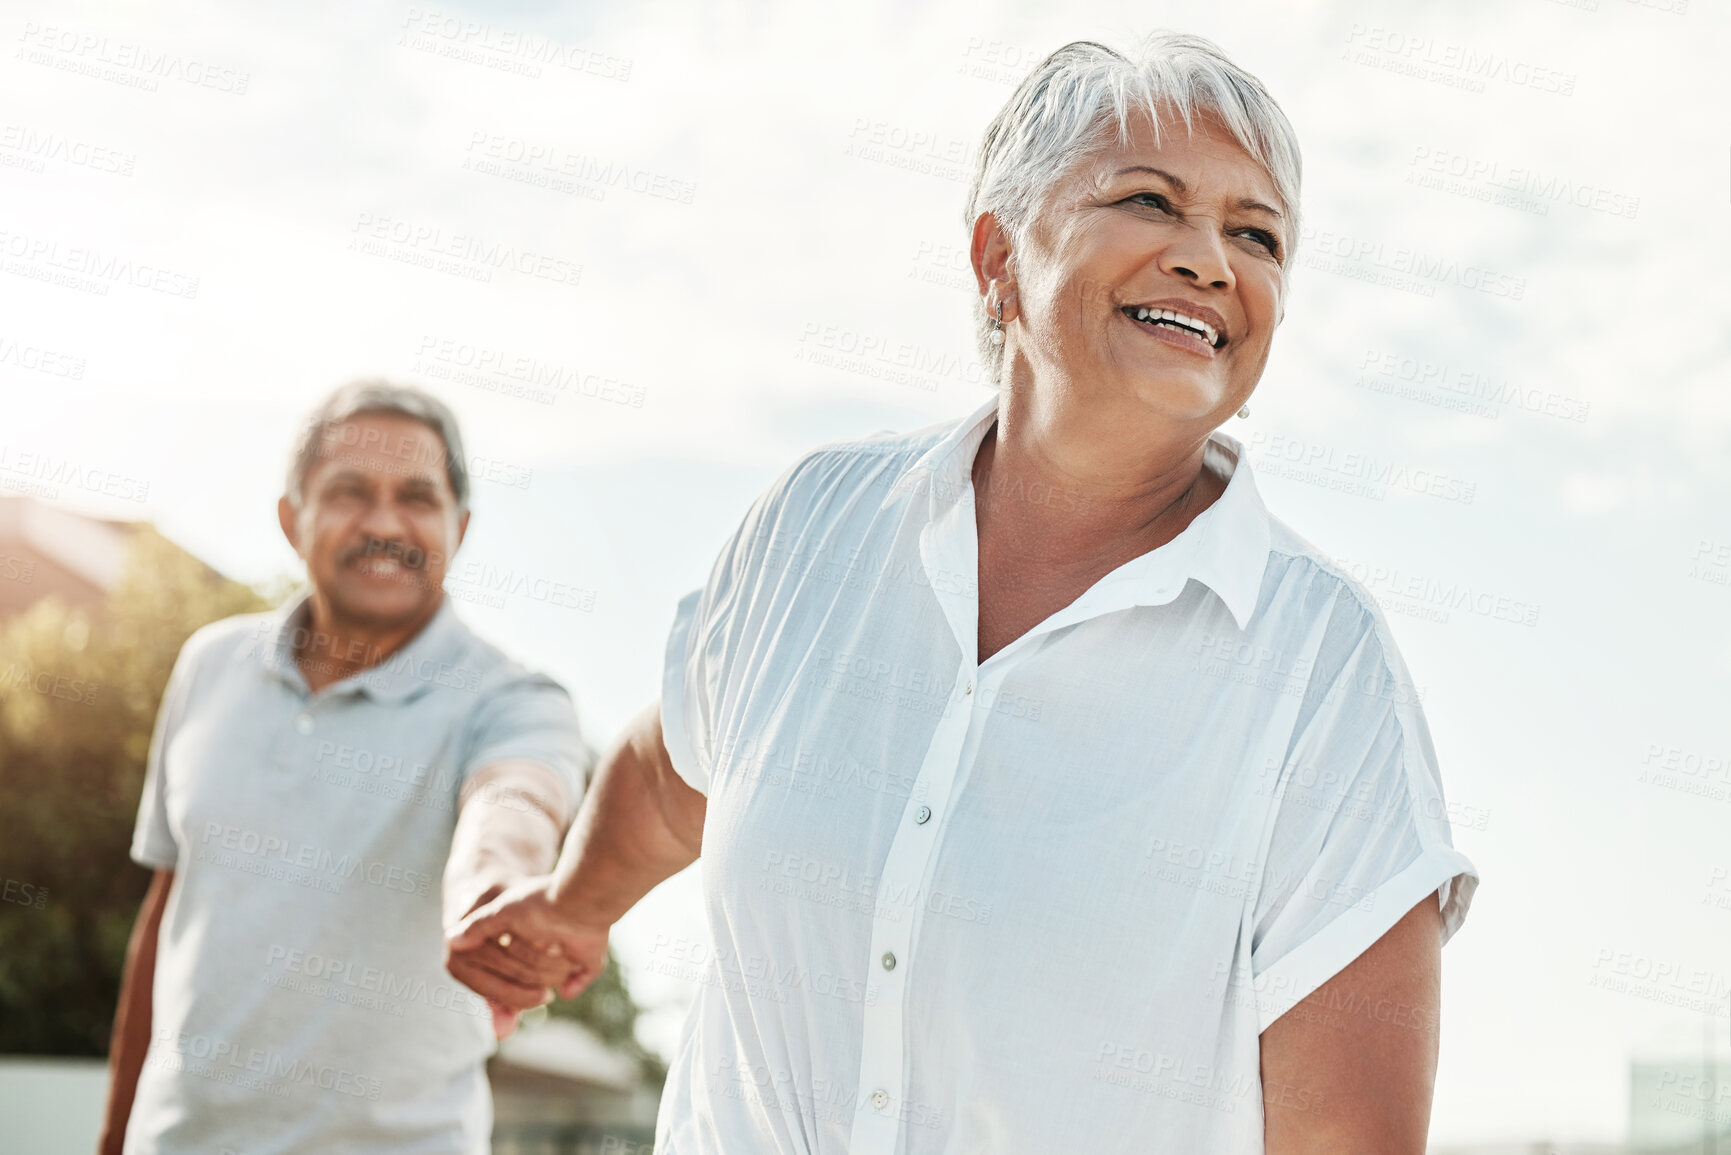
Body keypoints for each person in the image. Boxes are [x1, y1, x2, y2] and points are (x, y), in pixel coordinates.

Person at [447, 32, 1480, 1154]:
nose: (1210, 260)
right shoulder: (813, 529)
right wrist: (567, 909)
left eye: (1256, 234)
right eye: (1150, 200)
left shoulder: (1323, 669)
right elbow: (670, 774)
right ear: (998, 259)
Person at [98, 381, 592, 1155]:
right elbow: (167, 910)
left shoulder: (513, 698)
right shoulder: (210, 665)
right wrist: (114, 1137)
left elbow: (518, 796)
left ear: (459, 525)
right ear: (292, 518)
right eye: (350, 492)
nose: (385, 523)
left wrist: (493, 881)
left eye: (417, 497)